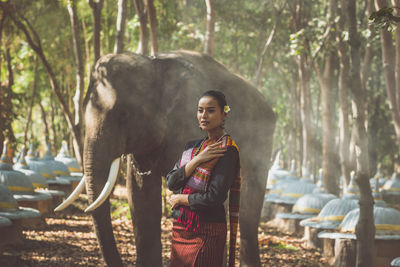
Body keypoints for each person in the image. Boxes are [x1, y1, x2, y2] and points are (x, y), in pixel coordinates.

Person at [166, 90, 241, 267]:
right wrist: (198, 159)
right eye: (200, 110)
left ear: (224, 114)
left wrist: (181, 199)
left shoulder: (227, 150)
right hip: (181, 229)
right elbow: (172, 181)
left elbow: (214, 198)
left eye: (210, 110)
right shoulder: (192, 148)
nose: (203, 115)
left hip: (207, 230)